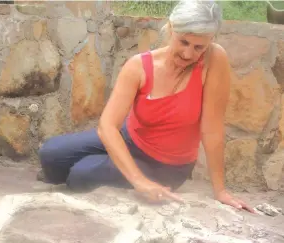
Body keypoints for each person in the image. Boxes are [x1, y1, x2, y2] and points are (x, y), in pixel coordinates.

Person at [38, 0, 254, 213]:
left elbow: (212, 129)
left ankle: (91, 170)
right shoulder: (139, 65)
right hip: (131, 139)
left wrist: (220, 190)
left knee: (81, 176)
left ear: (210, 41)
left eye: (199, 47)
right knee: (50, 153)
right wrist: (137, 180)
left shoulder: (214, 59)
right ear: (171, 29)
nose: (189, 54)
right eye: (184, 42)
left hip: (167, 166)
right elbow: (107, 126)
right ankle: (100, 167)